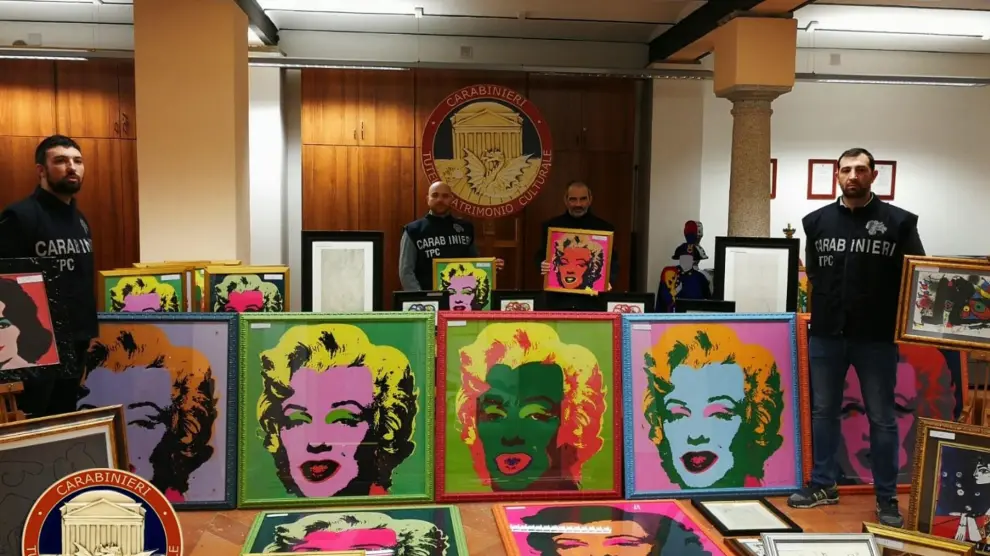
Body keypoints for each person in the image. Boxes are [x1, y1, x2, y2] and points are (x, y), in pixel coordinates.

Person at [788, 147, 926, 528]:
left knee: (882, 418)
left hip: (876, 338)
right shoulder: (816, 222)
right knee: (823, 412)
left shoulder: (899, 223)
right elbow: (815, 275)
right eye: (846, 169)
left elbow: (918, 277)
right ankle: (823, 485)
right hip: (827, 335)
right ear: (837, 175)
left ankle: (886, 498)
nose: (853, 176)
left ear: (873, 176)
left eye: (860, 169)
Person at [0, 135, 96, 419]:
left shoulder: (81, 220)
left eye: (77, 161)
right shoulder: (19, 217)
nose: (72, 167)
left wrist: (88, 335)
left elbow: (81, 282)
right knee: (34, 424)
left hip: (75, 342)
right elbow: (5, 288)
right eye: (61, 161)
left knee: (64, 419)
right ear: (41, 170)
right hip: (35, 346)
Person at [398, 180, 503, 291]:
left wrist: (489, 266)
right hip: (429, 297)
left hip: (461, 295)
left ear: (452, 199)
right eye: (435, 195)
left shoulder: (465, 228)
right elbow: (406, 271)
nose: (440, 200)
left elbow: (473, 264)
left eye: (445, 196)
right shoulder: (413, 230)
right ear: (428, 199)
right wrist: (421, 297)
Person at [536, 181, 618, 310]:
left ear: (590, 200)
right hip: (558, 302)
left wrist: (608, 280)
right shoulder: (551, 226)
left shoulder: (604, 228)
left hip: (592, 302)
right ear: (566, 200)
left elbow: (612, 262)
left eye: (583, 199)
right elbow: (541, 256)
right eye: (573, 199)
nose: (578, 204)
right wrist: (542, 265)